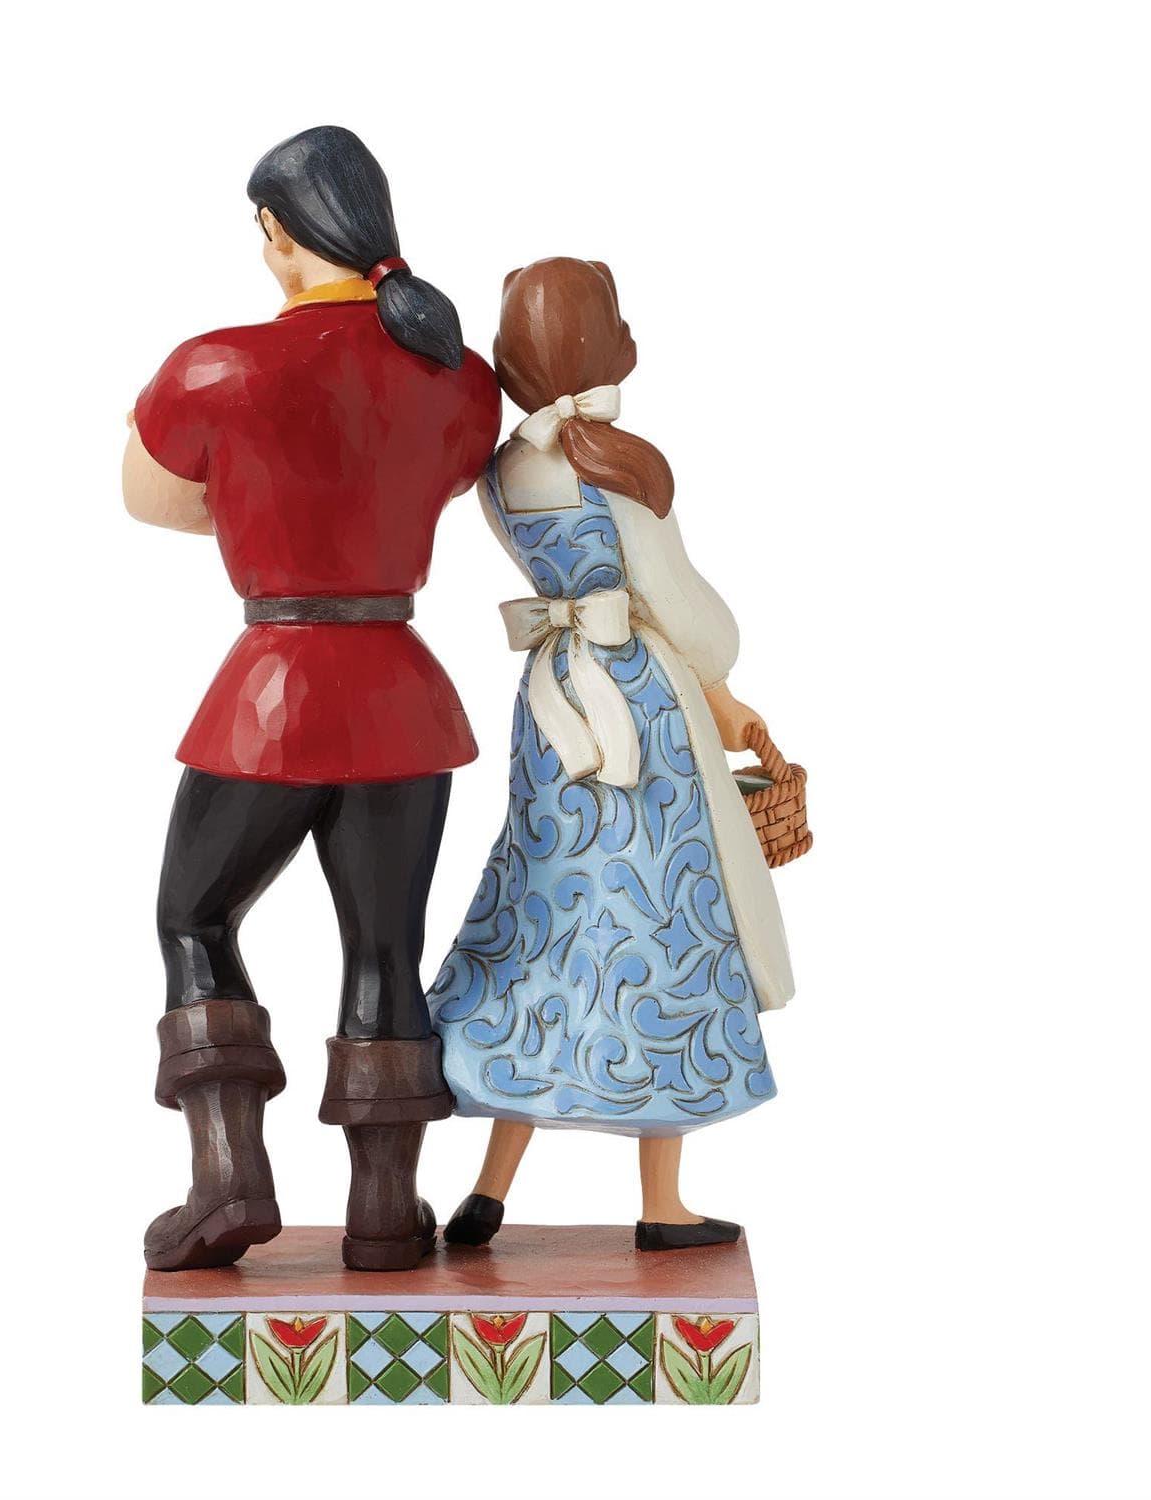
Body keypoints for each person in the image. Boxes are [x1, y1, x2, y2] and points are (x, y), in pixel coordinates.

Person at [124, 126, 500, 1272]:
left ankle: (227, 1175)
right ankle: (385, 1212)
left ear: (282, 237)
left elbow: (152, 497)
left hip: (273, 695)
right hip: (400, 695)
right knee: (385, 947)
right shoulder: (458, 375)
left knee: (194, 918)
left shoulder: (215, 367)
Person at [427, 258, 794, 1251]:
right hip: (637, 706)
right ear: (608, 344)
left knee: (543, 909)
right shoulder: (623, 468)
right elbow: (681, 608)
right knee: (658, 923)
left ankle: (489, 1189)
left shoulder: (501, 475)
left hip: (552, 705)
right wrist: (721, 683)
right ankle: (662, 1205)